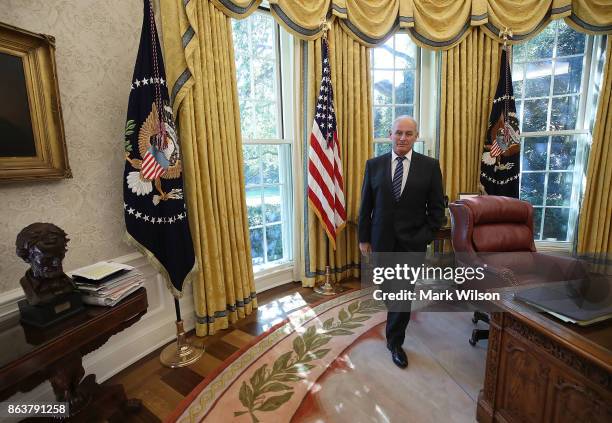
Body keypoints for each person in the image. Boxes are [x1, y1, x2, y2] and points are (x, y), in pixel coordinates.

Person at [358, 116, 445, 368]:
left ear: (416, 136)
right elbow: (366, 205)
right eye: (398, 133)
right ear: (390, 134)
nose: (403, 138)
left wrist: (425, 235)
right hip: (381, 240)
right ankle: (395, 319)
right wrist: (364, 237)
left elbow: (437, 208)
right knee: (388, 289)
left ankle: (395, 341)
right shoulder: (373, 165)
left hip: (412, 242)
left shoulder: (429, 166)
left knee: (402, 293)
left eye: (408, 133)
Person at [16, 222, 74, 305]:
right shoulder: (28, 286)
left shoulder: (69, 284)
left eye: (60, 255)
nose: (56, 263)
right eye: (47, 259)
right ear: (26, 257)